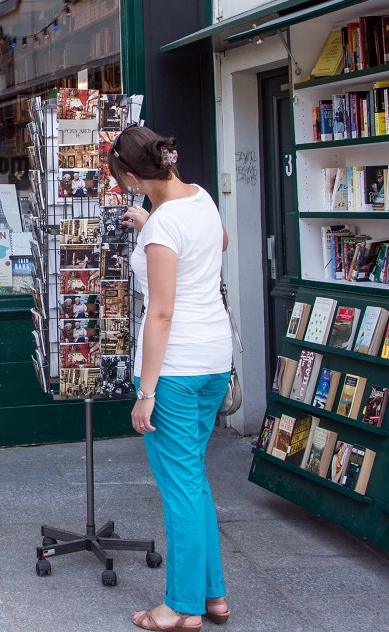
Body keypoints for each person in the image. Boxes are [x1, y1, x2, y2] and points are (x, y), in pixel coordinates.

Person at [111, 125, 232, 632]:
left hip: (176, 369)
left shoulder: (162, 227)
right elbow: (220, 241)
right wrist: (153, 224)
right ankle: (212, 594)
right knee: (194, 480)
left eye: (120, 180)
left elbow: (159, 314)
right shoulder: (200, 198)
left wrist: (146, 393)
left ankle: (180, 606)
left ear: (136, 177)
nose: (120, 189)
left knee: (179, 488)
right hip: (215, 360)